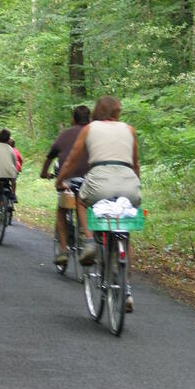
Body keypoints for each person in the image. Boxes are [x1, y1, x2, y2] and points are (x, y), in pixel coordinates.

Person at [55, 96, 141, 312]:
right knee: (126, 230)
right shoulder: (129, 130)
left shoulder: (90, 129)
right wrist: (136, 185)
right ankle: (127, 289)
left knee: (81, 201)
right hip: (128, 182)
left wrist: (60, 180)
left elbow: (73, 159)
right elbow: (136, 163)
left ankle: (91, 241)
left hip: (99, 180)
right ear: (117, 112)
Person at [40, 105, 91, 266]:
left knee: (61, 212)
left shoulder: (65, 135)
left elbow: (50, 157)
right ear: (89, 119)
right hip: (93, 182)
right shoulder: (95, 133)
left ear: (73, 119)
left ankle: (63, 250)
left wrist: (44, 173)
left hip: (69, 182)